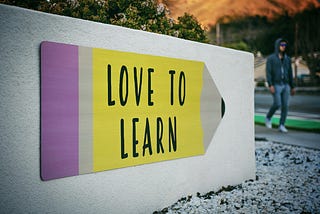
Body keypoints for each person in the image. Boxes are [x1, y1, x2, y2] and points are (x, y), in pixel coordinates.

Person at [265, 38, 295, 133]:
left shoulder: (287, 59)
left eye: (285, 45)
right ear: (277, 45)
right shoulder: (271, 58)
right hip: (276, 84)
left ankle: (281, 125)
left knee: (285, 106)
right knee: (277, 104)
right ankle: (268, 117)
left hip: (286, 84)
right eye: (282, 45)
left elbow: (290, 73)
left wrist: (292, 86)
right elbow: (268, 72)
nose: (283, 47)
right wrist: (270, 85)